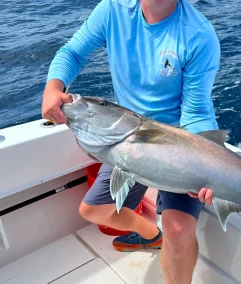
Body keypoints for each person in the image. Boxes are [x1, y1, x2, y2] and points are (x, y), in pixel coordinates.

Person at [42, 0, 216, 283]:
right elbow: (72, 52)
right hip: (126, 136)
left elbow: (196, 112)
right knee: (94, 210)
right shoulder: (113, 9)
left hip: (179, 142)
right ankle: (151, 235)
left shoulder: (198, 34)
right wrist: (54, 86)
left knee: (179, 230)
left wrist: (204, 166)